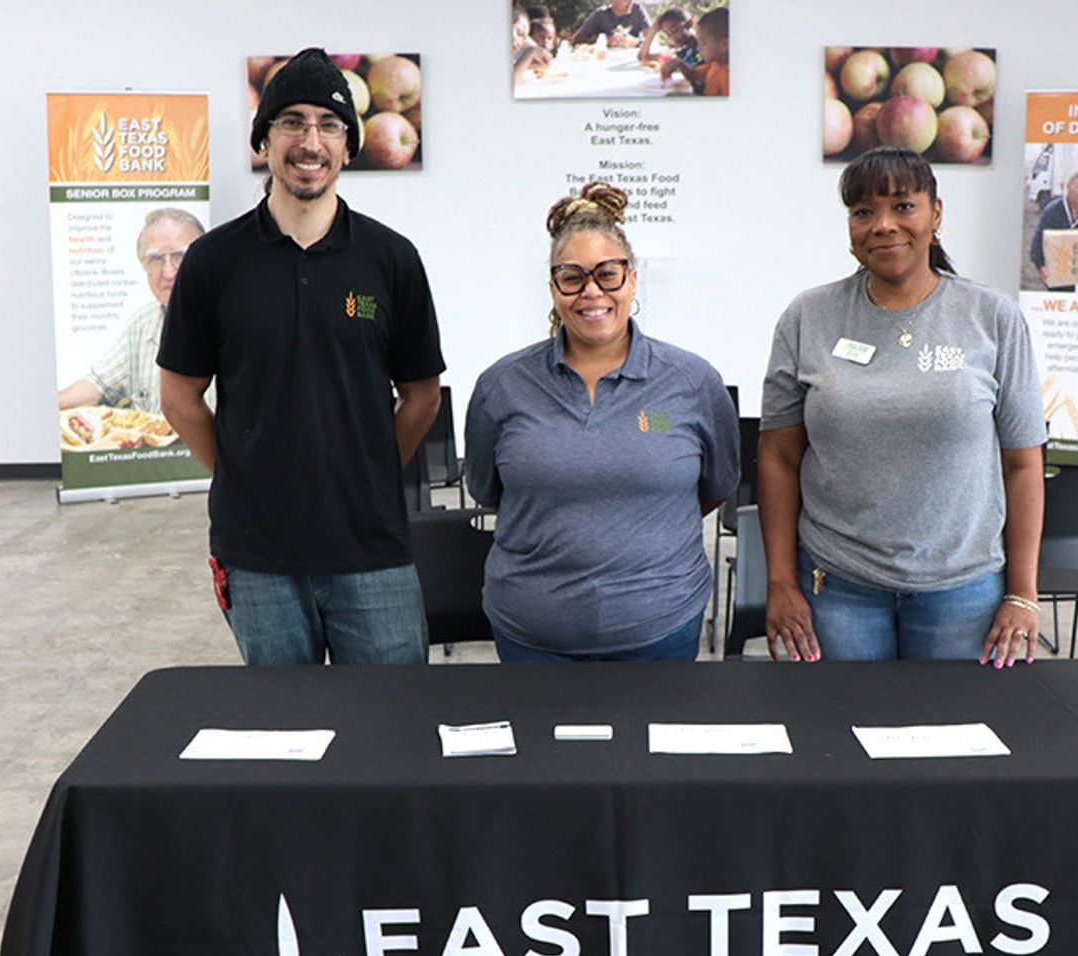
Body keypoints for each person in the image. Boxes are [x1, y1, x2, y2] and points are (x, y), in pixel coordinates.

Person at [157, 48, 445, 667]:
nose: (310, 141)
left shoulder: (391, 260)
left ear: (348, 147)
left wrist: (369, 469)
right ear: (264, 140)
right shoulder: (213, 262)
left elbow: (422, 395)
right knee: (285, 721)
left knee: (392, 716)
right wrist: (242, 472)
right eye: (291, 122)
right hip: (257, 552)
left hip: (372, 547)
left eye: (328, 125)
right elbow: (179, 397)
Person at [757, 147, 1046, 667]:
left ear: (936, 214)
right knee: (842, 718)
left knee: (951, 720)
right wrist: (780, 582)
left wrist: (1023, 593)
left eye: (903, 206)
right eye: (863, 211)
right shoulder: (808, 317)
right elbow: (778, 457)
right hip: (836, 586)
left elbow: (1022, 463)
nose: (883, 225)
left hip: (963, 592)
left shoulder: (993, 318)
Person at [464, 181, 739, 663]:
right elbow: (488, 490)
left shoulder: (693, 382)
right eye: (572, 277)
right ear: (553, 288)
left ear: (632, 279)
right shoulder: (501, 385)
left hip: (662, 632)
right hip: (530, 637)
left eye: (608, 274)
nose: (592, 291)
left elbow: (716, 486)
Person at [57, 208, 205, 412]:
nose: (168, 272)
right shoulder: (143, 324)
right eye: (156, 259)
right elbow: (97, 385)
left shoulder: (230, 321)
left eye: (180, 257)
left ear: (204, 259)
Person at [1029, 172, 1078, 291]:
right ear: (1068, 187)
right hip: (1056, 268)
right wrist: (1041, 266)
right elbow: (1038, 241)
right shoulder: (1052, 210)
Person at [660, 7, 728, 95]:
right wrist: (679, 64)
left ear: (724, 44)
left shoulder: (727, 77)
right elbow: (693, 75)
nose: (697, 48)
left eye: (703, 44)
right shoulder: (714, 64)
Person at [573, 0, 650, 47]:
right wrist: (603, 41)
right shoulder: (601, 15)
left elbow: (652, 38)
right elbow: (576, 40)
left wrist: (637, 42)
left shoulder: (637, 11)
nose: (630, 2)